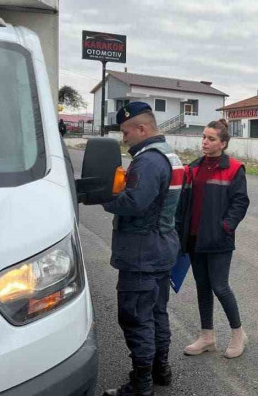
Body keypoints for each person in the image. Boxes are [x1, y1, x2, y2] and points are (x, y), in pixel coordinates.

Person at [101, 102, 184, 396]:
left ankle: (141, 384)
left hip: (141, 253)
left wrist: (105, 199)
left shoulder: (148, 161)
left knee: (137, 318)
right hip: (161, 247)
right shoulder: (169, 155)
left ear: (142, 129)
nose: (124, 139)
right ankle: (160, 370)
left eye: (126, 132)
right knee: (156, 313)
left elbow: (135, 203)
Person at [175, 120, 250, 359]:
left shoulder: (234, 168)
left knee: (220, 286)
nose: (205, 142)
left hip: (218, 240)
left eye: (211, 139)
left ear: (223, 143)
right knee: (203, 287)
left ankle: (238, 334)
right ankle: (207, 336)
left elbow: (240, 203)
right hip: (195, 239)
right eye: (204, 138)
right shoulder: (193, 168)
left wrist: (226, 226)